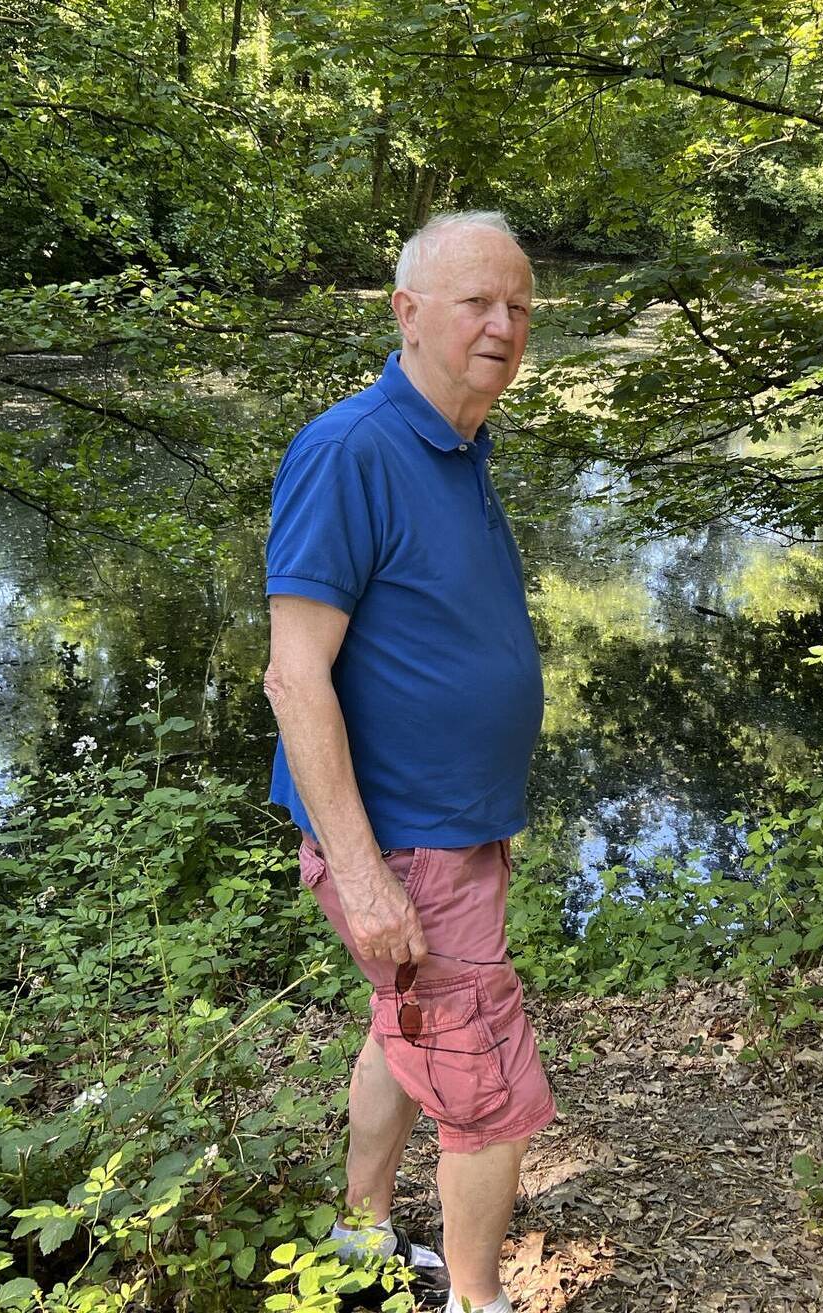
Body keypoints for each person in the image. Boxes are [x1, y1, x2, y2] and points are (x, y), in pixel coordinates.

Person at [264, 210, 553, 1313]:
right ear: (407, 312)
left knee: (403, 1028)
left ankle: (362, 1236)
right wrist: (367, 871)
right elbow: (296, 677)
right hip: (404, 842)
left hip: (451, 827)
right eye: (477, 300)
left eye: (518, 306)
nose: (502, 324)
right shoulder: (353, 449)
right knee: (485, 1091)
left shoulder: (460, 439)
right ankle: (477, 1300)